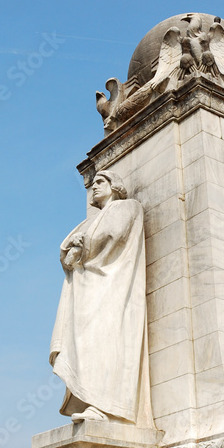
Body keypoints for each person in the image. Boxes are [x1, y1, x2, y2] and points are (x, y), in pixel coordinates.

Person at [50, 171, 152, 426]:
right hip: (85, 291)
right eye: (92, 182)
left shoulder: (127, 207)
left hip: (108, 287)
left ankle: (105, 404)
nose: (93, 187)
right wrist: (72, 249)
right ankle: (92, 400)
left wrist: (80, 246)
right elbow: (67, 254)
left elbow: (112, 236)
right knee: (84, 345)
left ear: (115, 186)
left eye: (100, 182)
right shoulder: (89, 221)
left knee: (103, 342)